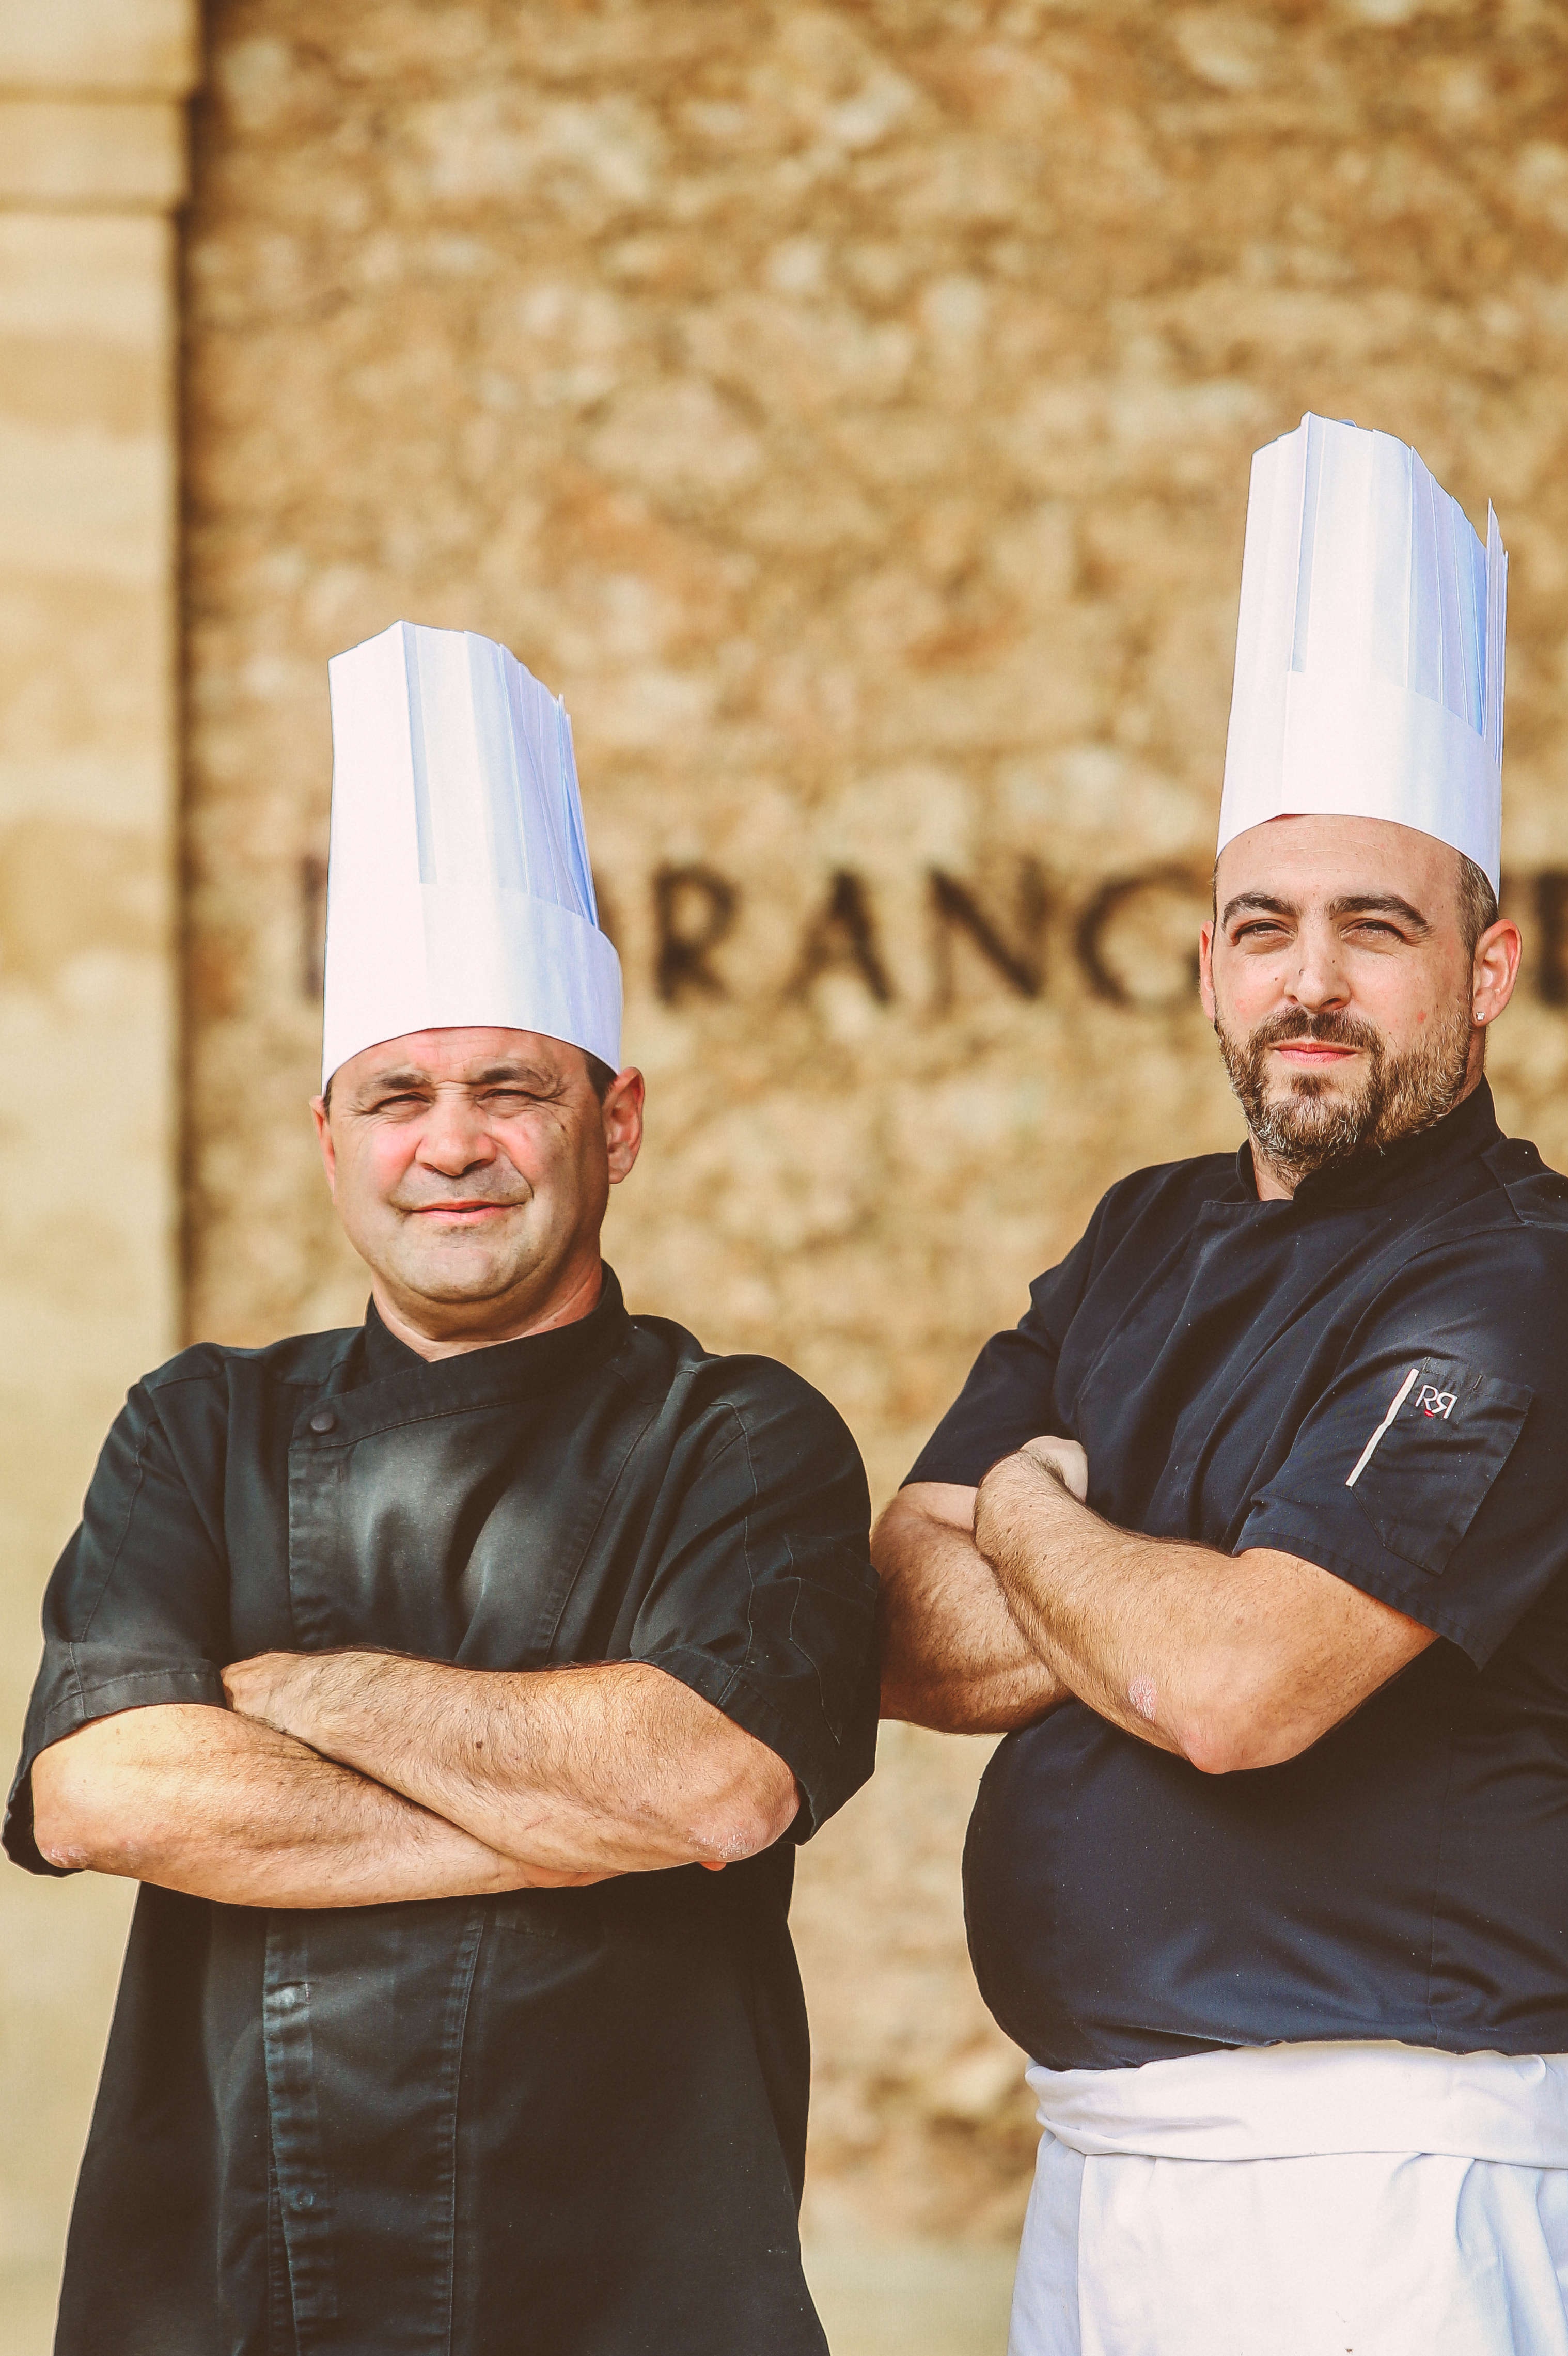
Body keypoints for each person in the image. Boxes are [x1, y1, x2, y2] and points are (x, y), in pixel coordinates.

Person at [877, 417, 1568, 2355]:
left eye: (1373, 928)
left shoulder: (1526, 1288)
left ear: (1485, 971)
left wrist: (1045, 1507)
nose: (1307, 979)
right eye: (1262, 927)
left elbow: (1232, 1689)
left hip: (1377, 2196)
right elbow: (901, 1626)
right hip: (1101, 2174)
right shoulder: (1142, 1232)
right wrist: (1171, 1582)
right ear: (1210, 966)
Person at [7, 622, 879, 2356]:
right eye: (397, 1094)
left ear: (613, 1119)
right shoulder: (195, 1428)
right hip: (229, 2290)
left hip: (636, 2297)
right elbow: (101, 1787)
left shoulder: (746, 1439)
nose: (453, 1140)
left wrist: (300, 1696)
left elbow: (707, 1781)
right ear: (329, 1133)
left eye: (509, 1089)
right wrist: (566, 1819)